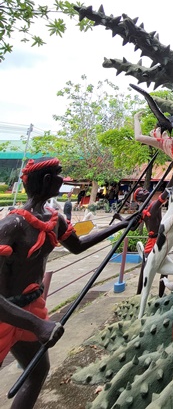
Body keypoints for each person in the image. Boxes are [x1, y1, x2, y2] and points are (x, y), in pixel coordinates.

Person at [0, 158, 135, 409]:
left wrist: (121, 226)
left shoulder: (55, 218)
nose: (64, 181)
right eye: (59, 176)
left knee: (37, 372)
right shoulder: (11, 226)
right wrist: (36, 324)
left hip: (32, 306)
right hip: (5, 313)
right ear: (48, 180)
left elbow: (77, 246)